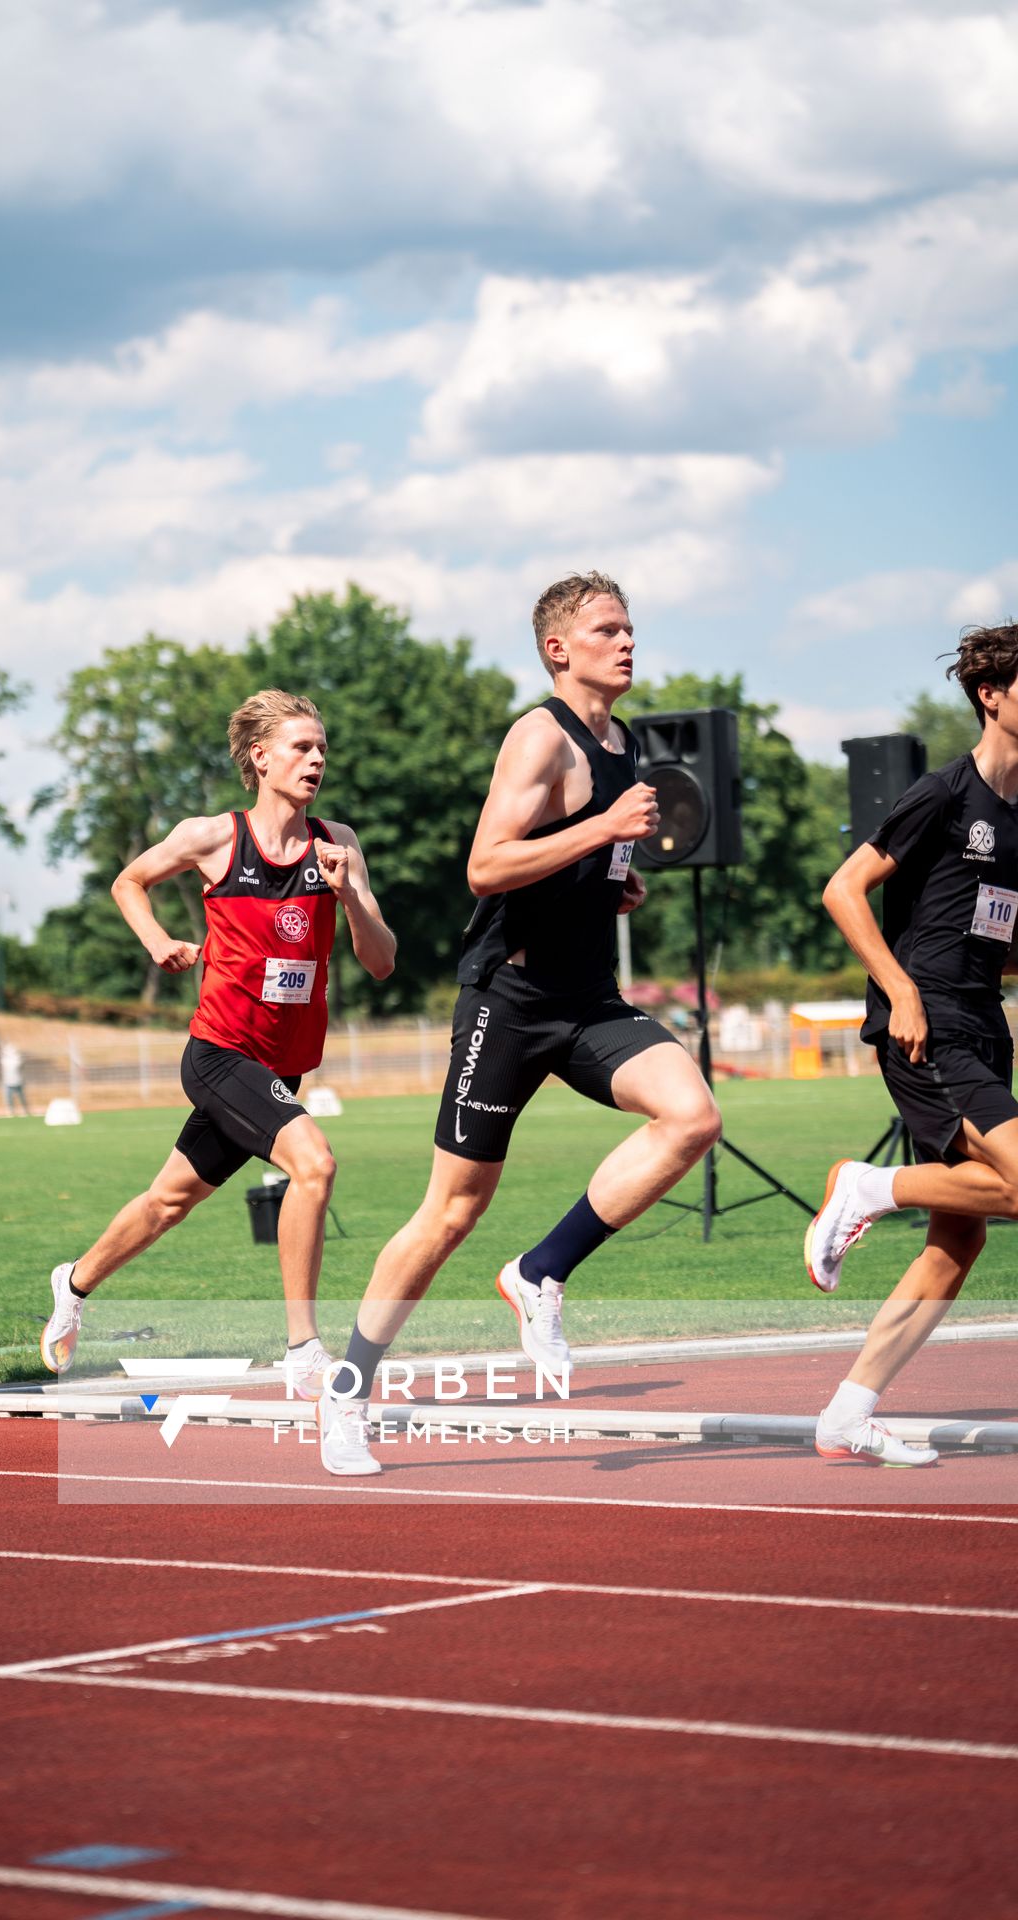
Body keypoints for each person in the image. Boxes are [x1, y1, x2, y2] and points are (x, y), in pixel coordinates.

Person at [318, 571, 722, 1473]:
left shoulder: (620, 743)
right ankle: (346, 1398)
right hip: (512, 1003)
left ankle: (540, 1270)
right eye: (608, 629)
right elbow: (487, 865)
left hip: (588, 1001)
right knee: (451, 1210)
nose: (627, 641)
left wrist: (612, 881)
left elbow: (567, 859)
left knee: (693, 1114)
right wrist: (601, 830)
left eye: (630, 626)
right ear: (557, 648)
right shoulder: (539, 737)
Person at [39, 689, 395, 1396]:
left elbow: (381, 960)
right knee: (314, 1164)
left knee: (170, 1201)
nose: (317, 758)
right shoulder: (214, 838)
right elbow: (129, 881)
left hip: (280, 1067)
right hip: (219, 1053)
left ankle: (73, 1284)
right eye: (302, 746)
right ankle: (303, 1350)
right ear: (260, 758)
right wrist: (157, 941)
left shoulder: (340, 843)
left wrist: (349, 892)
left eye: (323, 747)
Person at [805, 624, 1018, 1467]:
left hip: (985, 1022)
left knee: (960, 1237)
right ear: (991, 696)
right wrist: (898, 991)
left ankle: (847, 1413)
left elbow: (997, 934)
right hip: (926, 1025)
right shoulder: (944, 792)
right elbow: (843, 888)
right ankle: (870, 1184)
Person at [0, 1041, 29, 1116]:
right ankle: (11, 1112)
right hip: (8, 1083)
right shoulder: (5, 1060)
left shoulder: (17, 1060)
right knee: (9, 1099)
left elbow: (21, 1065)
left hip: (18, 1082)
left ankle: (25, 1111)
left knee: (22, 1098)